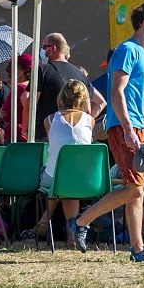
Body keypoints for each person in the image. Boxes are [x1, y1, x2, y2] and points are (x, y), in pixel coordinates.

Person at [70, 2, 144, 263]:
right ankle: (81, 221)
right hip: (126, 126)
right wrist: (127, 129)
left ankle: (137, 249)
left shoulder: (141, 54)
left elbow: (136, 91)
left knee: (137, 187)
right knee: (135, 188)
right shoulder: (127, 50)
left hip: (137, 125)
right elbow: (117, 91)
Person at [33, 80, 95, 245]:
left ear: (61, 97)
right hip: (84, 179)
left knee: (61, 177)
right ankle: (71, 237)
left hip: (56, 177)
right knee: (69, 182)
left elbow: (54, 143)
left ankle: (45, 218)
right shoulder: (90, 120)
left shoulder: (50, 119)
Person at [32, 32, 106, 140]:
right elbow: (101, 102)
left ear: (53, 48)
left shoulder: (43, 70)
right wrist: (84, 123)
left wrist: (26, 128)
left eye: (44, 47)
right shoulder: (80, 73)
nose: (42, 51)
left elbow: (28, 100)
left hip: (45, 136)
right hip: (79, 138)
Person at [0, 54, 31, 143]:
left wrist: (1, 111)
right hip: (31, 133)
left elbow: (5, 113)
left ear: (22, 71)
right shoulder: (35, 88)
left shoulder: (19, 88)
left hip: (16, 133)